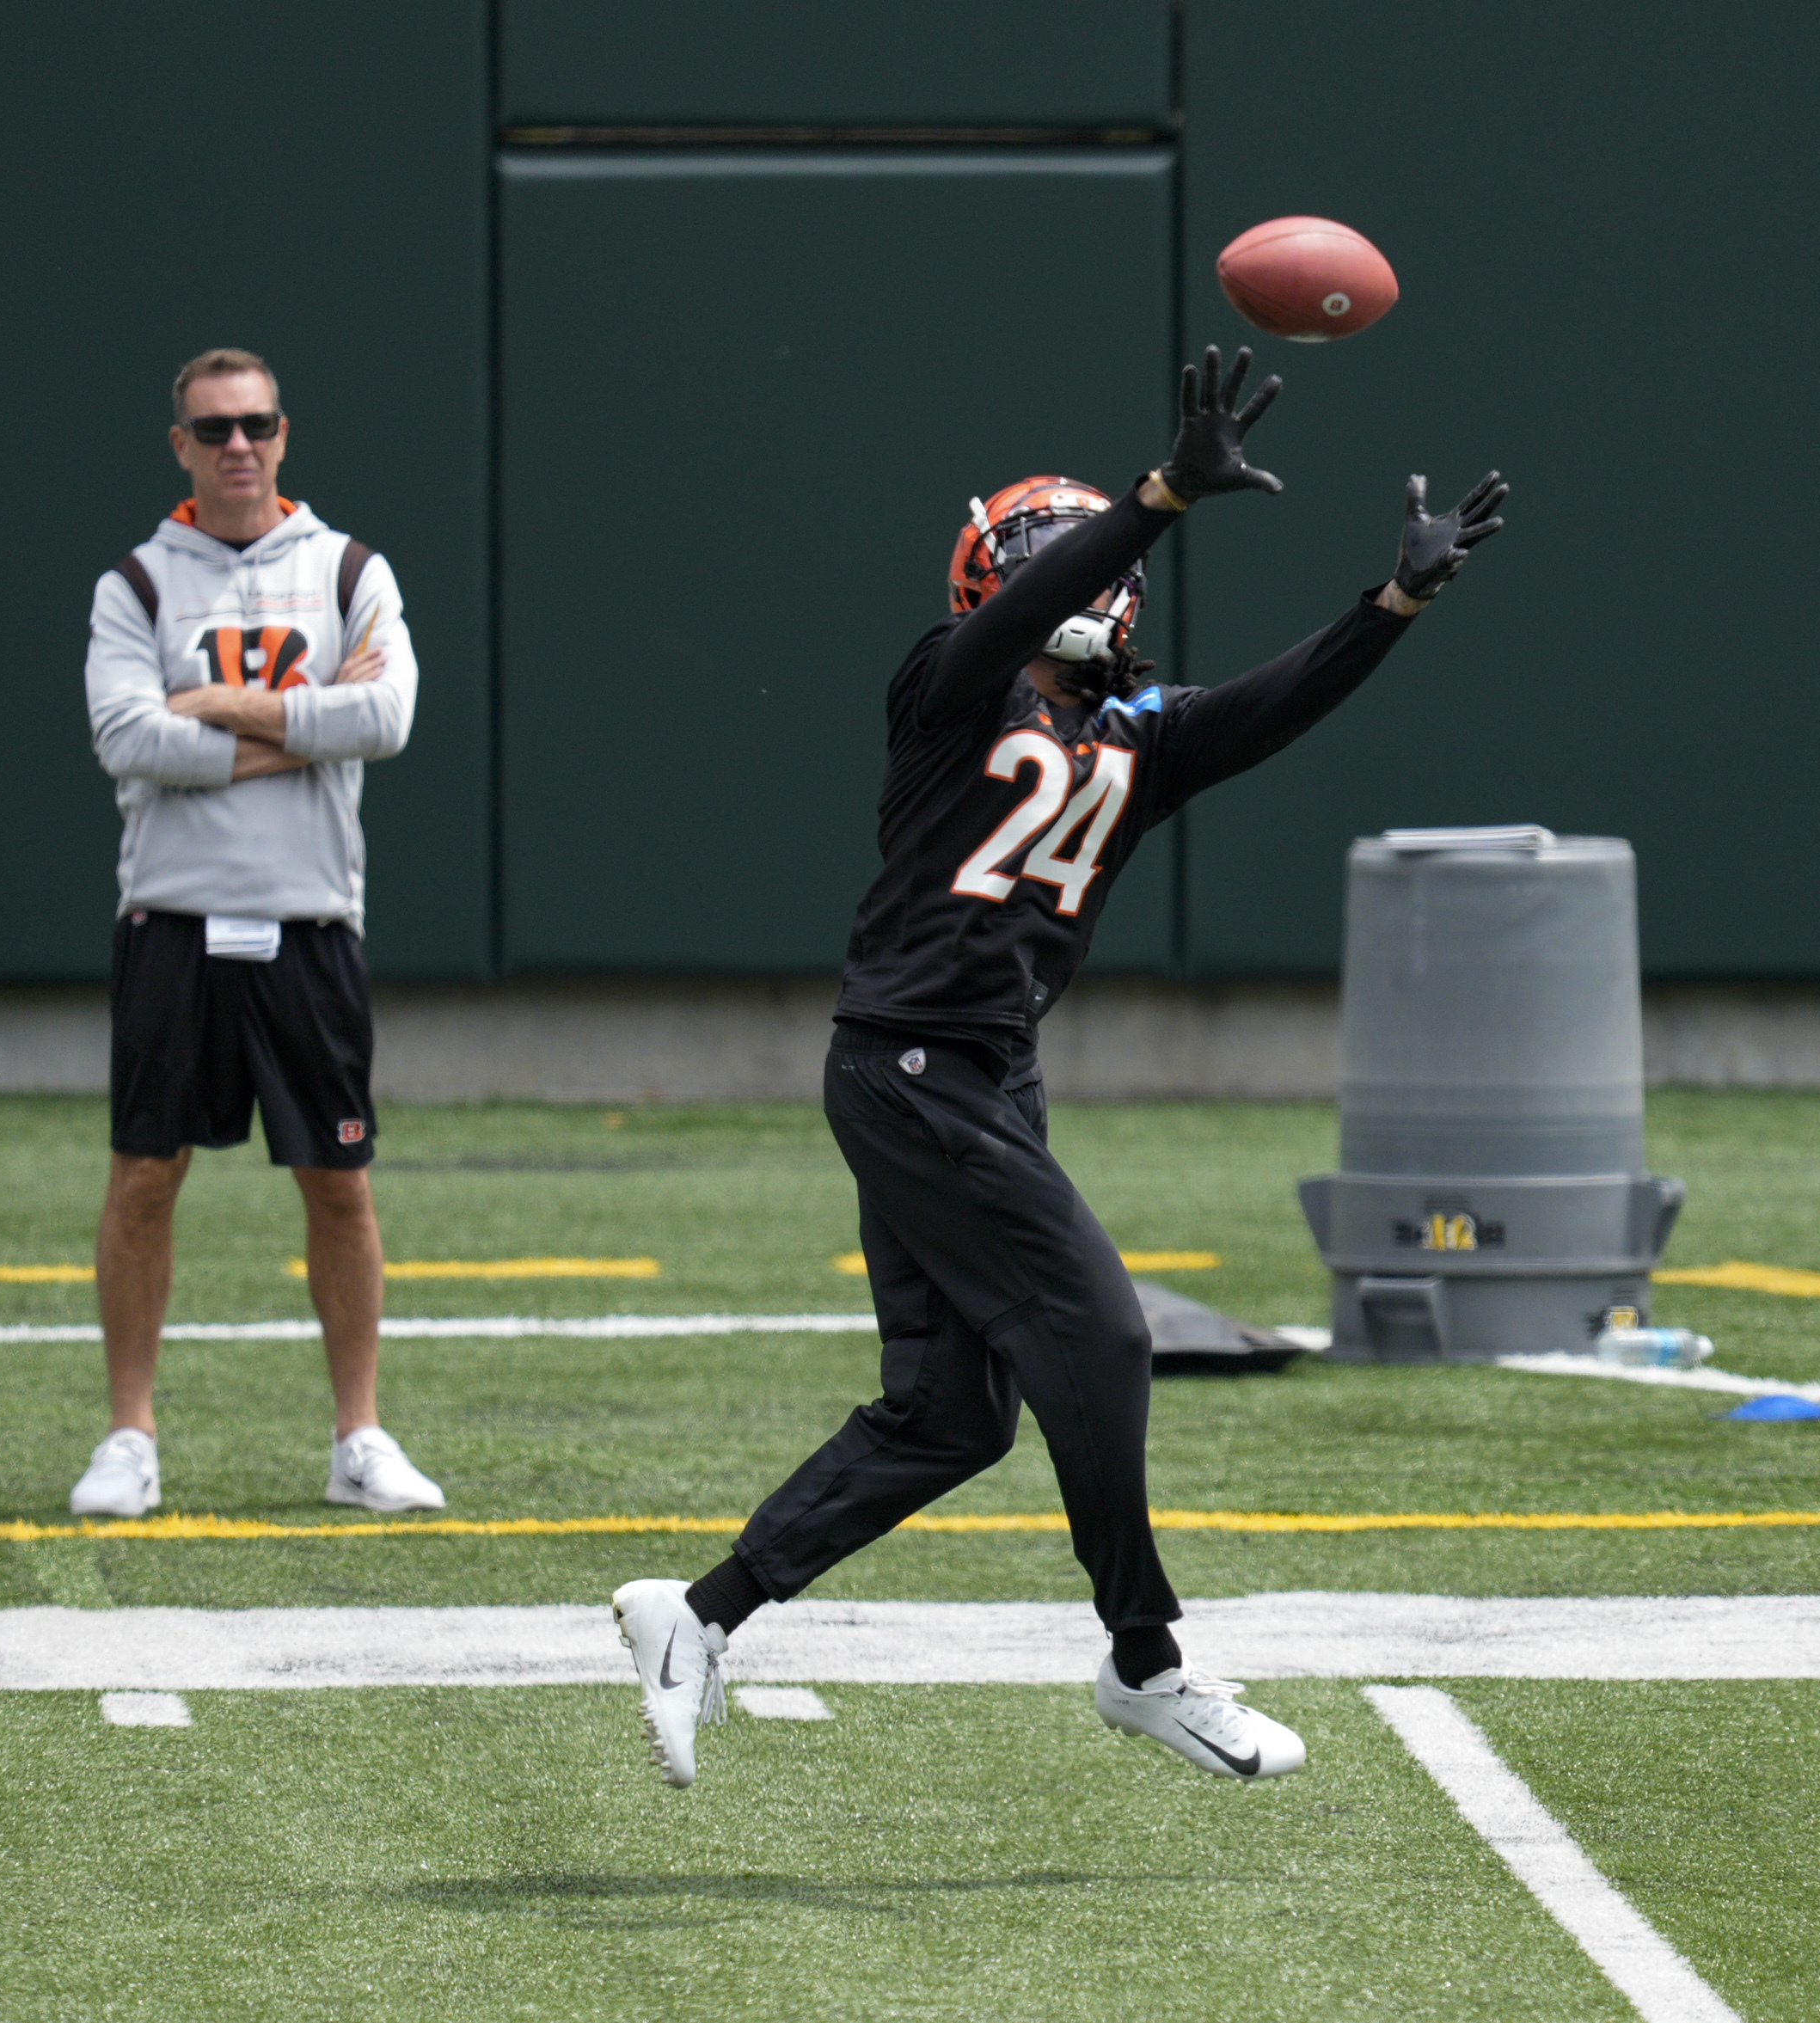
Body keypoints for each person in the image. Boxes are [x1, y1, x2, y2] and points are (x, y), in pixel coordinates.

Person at [610, 346, 1508, 1785]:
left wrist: (1391, 603)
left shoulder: (1129, 733)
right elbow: (1021, 612)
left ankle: (698, 1614)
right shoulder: (946, 689)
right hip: (914, 1066)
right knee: (1101, 1336)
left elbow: (1274, 706)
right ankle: (1144, 1659)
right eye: (1060, 560)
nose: (1088, 583)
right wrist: (1153, 498)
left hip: (972, 1077)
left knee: (951, 1414)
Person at [67, 346, 444, 1519]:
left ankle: (359, 1437)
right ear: (179, 444)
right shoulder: (135, 584)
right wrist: (303, 725)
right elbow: (128, 737)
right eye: (213, 428)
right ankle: (129, 1435)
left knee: (338, 1180)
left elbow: (385, 717)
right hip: (172, 919)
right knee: (143, 1174)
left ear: (285, 436)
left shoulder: (347, 570)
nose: (238, 445)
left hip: (309, 918)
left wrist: (218, 707)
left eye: (257, 424)